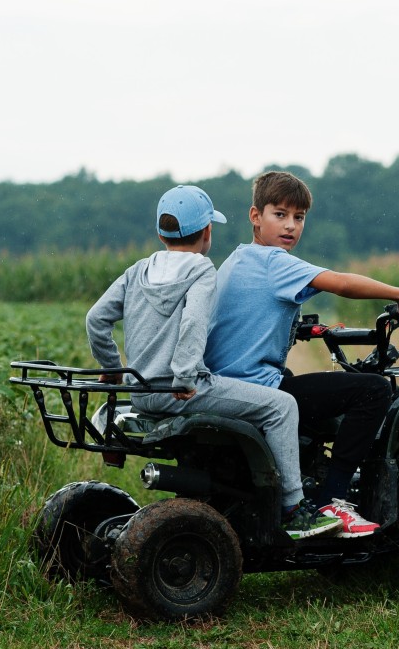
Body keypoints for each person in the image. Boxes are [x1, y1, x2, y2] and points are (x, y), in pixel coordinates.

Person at [86, 184, 340, 540]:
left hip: (142, 391)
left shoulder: (137, 270)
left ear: (161, 232)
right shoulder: (201, 270)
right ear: (207, 232)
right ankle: (295, 509)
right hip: (181, 390)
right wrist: (186, 376)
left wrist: (112, 368)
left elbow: (96, 319)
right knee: (282, 406)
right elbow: (193, 323)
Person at [205, 171, 399, 538]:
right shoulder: (276, 262)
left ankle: (305, 475)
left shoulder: (237, 259)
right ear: (255, 216)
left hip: (228, 385)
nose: (290, 226)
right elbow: (343, 283)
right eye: (279, 214)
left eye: (298, 218)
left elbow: (249, 314)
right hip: (257, 387)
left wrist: (304, 328)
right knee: (373, 390)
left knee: (299, 385)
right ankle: (333, 500)